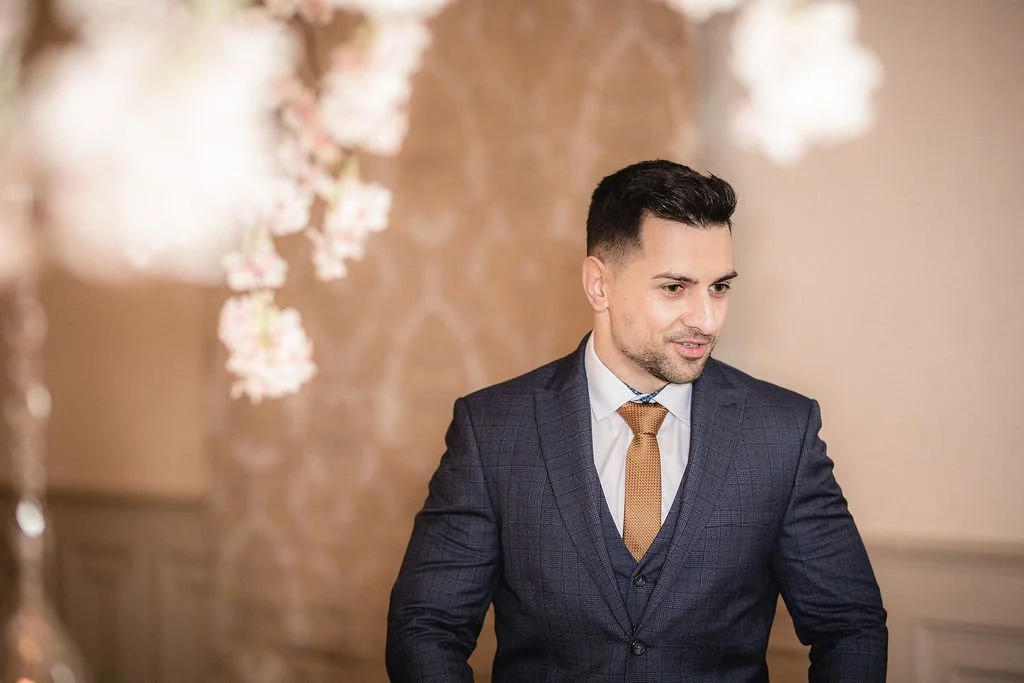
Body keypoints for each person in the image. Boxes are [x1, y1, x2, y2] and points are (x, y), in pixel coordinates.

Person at [386, 160, 887, 682]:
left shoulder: (783, 431)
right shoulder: (493, 430)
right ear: (599, 285)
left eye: (719, 287)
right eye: (675, 287)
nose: (706, 319)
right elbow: (426, 627)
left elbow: (849, 624)